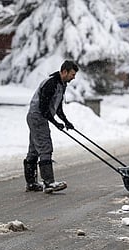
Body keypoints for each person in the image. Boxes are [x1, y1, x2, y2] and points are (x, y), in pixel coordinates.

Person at [24, 60, 78, 193]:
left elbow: (57, 107)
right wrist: (55, 123)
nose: (73, 77)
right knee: (45, 147)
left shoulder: (62, 84)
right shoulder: (51, 84)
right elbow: (43, 108)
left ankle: (31, 184)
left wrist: (66, 122)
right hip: (37, 117)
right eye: (72, 74)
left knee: (34, 150)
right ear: (64, 72)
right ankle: (49, 183)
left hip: (39, 117)